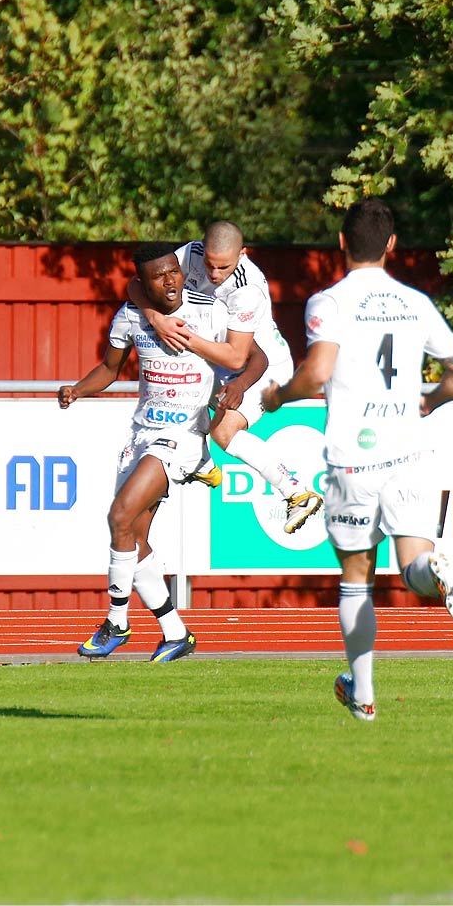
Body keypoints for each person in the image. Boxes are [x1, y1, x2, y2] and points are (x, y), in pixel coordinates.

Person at [261, 198, 453, 721]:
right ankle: (436, 569)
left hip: (354, 459)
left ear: (340, 242)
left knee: (357, 579)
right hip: (409, 451)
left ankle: (362, 696)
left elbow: (316, 374)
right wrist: (430, 402)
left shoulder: (327, 302)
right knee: (412, 568)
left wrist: (277, 397)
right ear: (392, 246)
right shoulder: (416, 302)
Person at [59, 241, 269, 662]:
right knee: (133, 538)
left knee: (119, 515)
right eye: (160, 276)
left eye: (174, 270)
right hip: (142, 435)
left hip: (184, 436)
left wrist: (238, 388)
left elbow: (255, 358)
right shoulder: (132, 316)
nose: (172, 280)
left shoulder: (207, 308)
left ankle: (116, 622)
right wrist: (77, 390)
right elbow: (109, 369)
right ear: (142, 283)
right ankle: (176, 632)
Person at [128, 221, 324, 534]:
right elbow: (138, 282)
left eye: (223, 267)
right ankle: (202, 463)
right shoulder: (189, 254)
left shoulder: (248, 289)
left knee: (225, 431)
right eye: (209, 264)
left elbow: (239, 355)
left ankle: (296, 493)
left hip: (262, 368)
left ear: (242, 256)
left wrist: (185, 338)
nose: (214, 274)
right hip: (221, 360)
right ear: (200, 250)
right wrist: (155, 318)